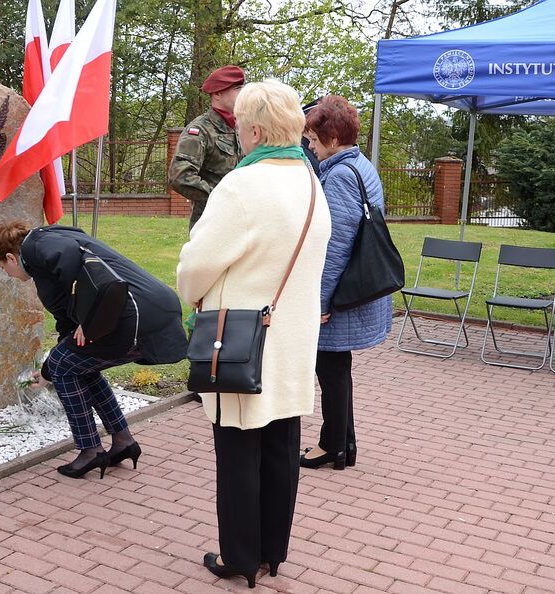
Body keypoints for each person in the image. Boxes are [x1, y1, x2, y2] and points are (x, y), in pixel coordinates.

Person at [177, 80, 331, 588]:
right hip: (292, 342)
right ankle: (271, 553)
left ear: (257, 131)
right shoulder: (310, 180)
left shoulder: (241, 185)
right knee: (282, 451)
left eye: (241, 126)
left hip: (242, 343)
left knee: (238, 454)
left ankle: (241, 558)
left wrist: (192, 291)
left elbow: (195, 267)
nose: (237, 134)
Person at [0, 221, 188, 479]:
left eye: (2, 268)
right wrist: (47, 372)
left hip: (131, 315)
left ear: (10, 257)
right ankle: (123, 441)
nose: (6, 274)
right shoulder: (44, 260)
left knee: (63, 366)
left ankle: (91, 450)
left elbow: (70, 256)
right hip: (149, 308)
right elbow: (66, 326)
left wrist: (89, 316)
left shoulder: (37, 246)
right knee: (76, 365)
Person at [301, 95, 392, 471]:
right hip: (356, 284)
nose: (309, 146)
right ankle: (344, 444)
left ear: (334, 138)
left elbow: (335, 246)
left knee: (330, 369)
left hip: (341, 291)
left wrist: (320, 302)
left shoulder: (338, 176)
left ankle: (332, 446)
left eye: (313, 139)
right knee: (337, 368)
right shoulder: (361, 164)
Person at [169, 65, 245, 228]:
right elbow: (179, 176)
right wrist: (221, 196)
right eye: (237, 89)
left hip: (242, 219)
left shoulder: (242, 128)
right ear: (217, 93)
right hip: (211, 221)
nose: (243, 93)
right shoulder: (200, 130)